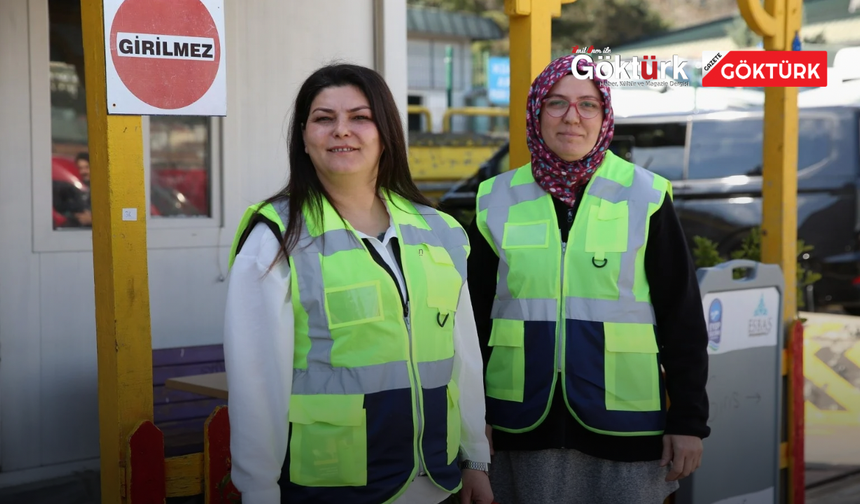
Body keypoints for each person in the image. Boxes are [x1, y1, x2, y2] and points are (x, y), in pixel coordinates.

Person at [223, 63, 493, 504]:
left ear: (386, 133)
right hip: (333, 489)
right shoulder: (275, 238)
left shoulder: (439, 231)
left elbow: (464, 358)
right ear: (304, 138)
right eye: (323, 118)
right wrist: (258, 489)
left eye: (359, 117)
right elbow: (256, 380)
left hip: (438, 482)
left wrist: (475, 457)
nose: (341, 130)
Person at [467, 54, 710, 503]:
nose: (572, 116)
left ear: (605, 115)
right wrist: (471, 423)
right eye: (557, 103)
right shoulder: (494, 198)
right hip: (517, 425)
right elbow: (472, 322)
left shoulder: (646, 195)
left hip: (627, 426)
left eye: (588, 104)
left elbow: (682, 318)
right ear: (536, 112)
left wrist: (689, 420)